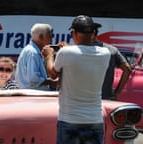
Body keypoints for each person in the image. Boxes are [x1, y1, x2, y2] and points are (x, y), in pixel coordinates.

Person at [42, 15, 111, 144]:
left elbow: (53, 74)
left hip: (69, 119)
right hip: (94, 119)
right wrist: (68, 48)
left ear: (73, 33)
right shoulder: (105, 54)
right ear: (94, 33)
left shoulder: (66, 53)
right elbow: (81, 57)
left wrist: (49, 55)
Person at [93, 25, 132, 100]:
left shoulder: (75, 51)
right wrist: (117, 92)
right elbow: (127, 69)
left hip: (80, 99)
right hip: (105, 98)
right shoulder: (111, 50)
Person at [15, 23, 58, 90]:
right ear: (41, 37)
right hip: (33, 96)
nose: (51, 40)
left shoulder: (32, 51)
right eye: (50, 36)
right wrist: (51, 82)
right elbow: (33, 79)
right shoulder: (33, 52)